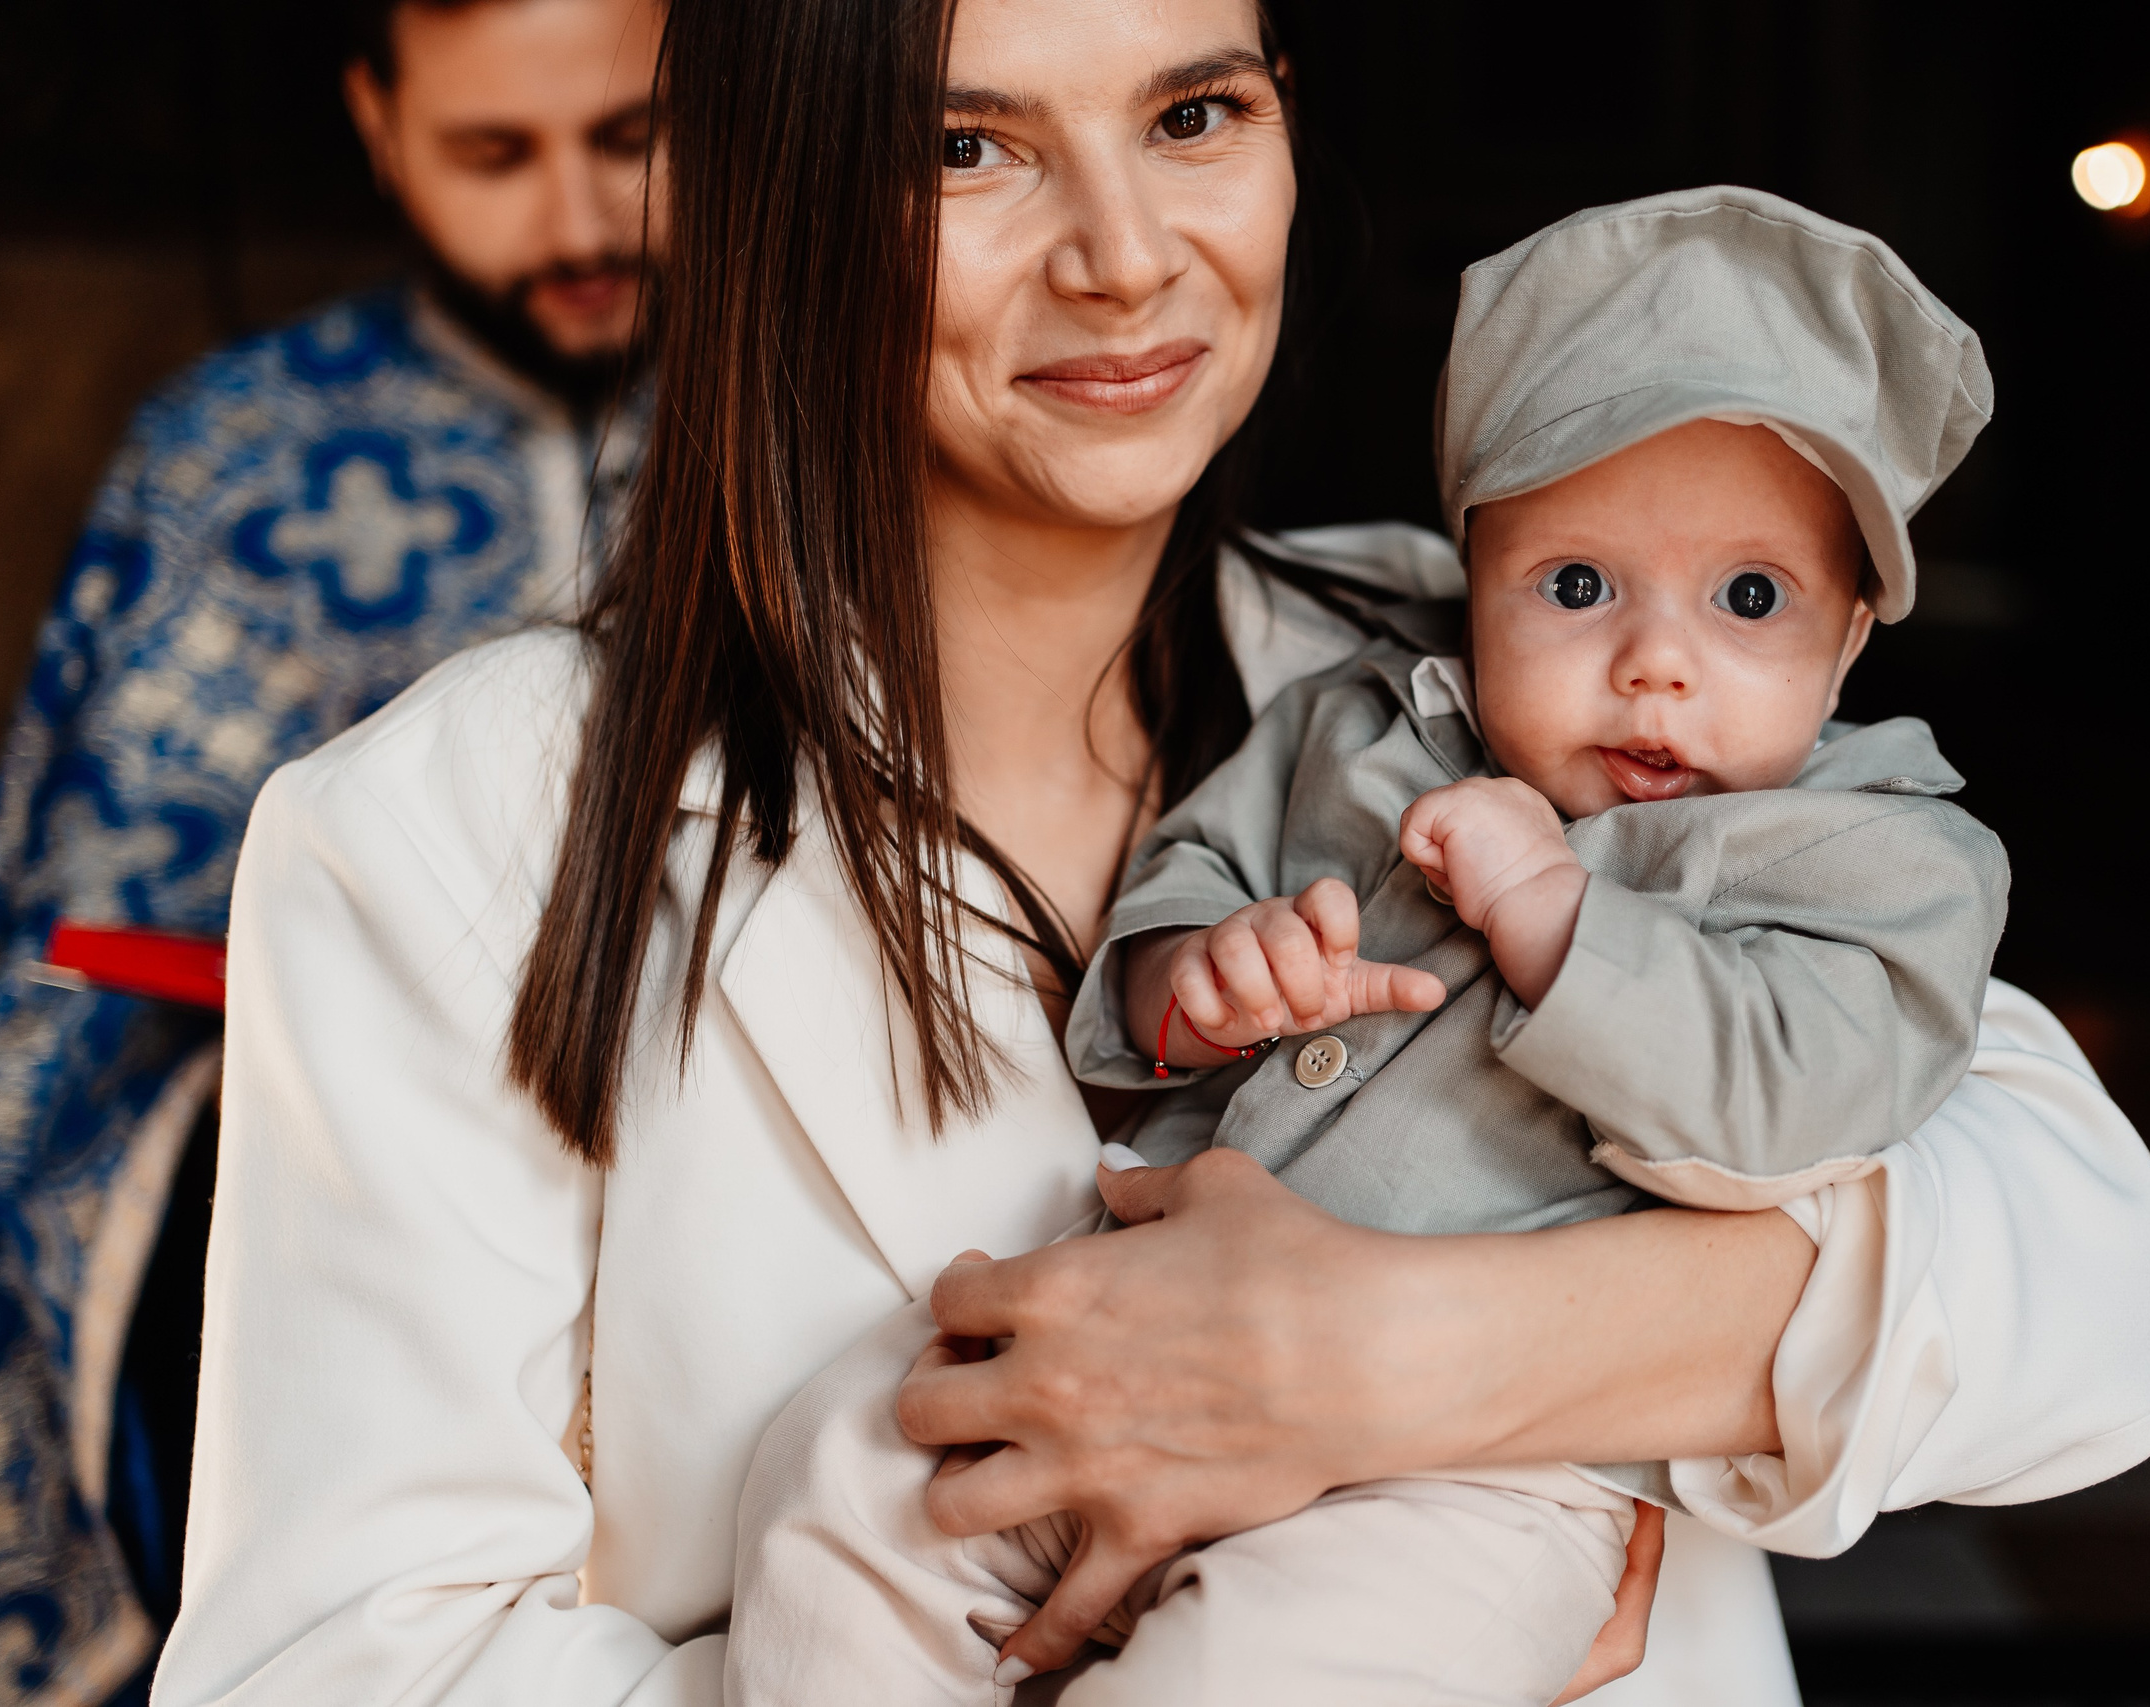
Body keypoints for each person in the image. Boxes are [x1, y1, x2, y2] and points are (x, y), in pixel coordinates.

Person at [153, 3, 2150, 1705]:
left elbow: (2082, 1296)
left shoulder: (1519, 676)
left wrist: (1387, 1363)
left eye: (1194, 114)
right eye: (966, 147)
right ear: (773, 194)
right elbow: (336, 1668)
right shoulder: (454, 829)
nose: (1124, 256)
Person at [724, 187, 2014, 1705]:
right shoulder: (1358, 723)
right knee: (851, 1471)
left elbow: (1807, 1098)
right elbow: (1193, 872)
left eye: (1751, 598)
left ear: (1850, 636)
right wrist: (1201, 976)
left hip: (1482, 1474)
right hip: (1126, 1336)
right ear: (1473, 583)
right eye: (1576, 586)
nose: (1656, 663)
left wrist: (1558, 917)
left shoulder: (1883, 862)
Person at [0, 0, 660, 1686]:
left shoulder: (851, 409)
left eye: (632, 140)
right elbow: (59, 988)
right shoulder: (230, 459)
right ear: (379, 125)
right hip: (309, 1197)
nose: (578, 224)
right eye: (494, 155)